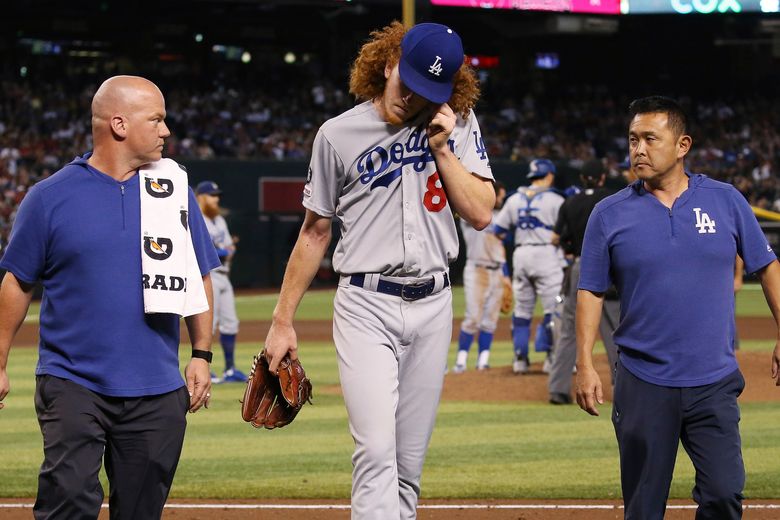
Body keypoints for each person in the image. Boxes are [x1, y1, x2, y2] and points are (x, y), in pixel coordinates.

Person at [263, 22, 494, 519]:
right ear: (388, 63)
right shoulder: (338, 135)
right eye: (405, 82)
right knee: (375, 453)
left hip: (434, 304)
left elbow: (480, 212)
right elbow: (314, 232)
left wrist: (442, 149)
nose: (411, 98)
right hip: (366, 304)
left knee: (408, 464)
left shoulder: (458, 123)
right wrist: (282, 321)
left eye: (426, 91)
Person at [0, 76, 220, 519]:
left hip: (157, 388)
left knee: (140, 511)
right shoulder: (48, 198)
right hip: (73, 382)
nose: (166, 131)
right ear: (119, 123)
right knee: (68, 503)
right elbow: (17, 283)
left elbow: (196, 275)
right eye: (156, 119)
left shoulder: (173, 191)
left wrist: (201, 353)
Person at [576, 95, 780, 519]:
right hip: (643, 380)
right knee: (644, 507)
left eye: (651, 138)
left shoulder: (726, 201)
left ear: (682, 145)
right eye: (633, 139)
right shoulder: (608, 214)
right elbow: (591, 290)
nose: (638, 149)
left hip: (714, 379)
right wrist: (584, 362)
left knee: (724, 495)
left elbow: (768, 267)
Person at [547, 159, 618, 405]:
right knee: (616, 330)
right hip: (608, 268)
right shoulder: (612, 200)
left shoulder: (570, 202)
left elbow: (556, 238)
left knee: (568, 329)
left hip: (578, 265)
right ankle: (623, 388)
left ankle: (557, 389)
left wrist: (570, 246)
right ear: (601, 178)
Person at [494, 159, 565, 374]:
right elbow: (565, 232)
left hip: (521, 254)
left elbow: (498, 230)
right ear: (550, 175)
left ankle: (520, 359)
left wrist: (518, 238)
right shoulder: (555, 199)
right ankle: (552, 358)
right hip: (546, 254)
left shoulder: (514, 199)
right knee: (553, 309)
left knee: (522, 311)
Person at [453, 181, 509, 372]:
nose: (501, 198)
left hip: (498, 270)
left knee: (490, 320)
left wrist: (507, 275)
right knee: (473, 318)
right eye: (499, 195)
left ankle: (483, 361)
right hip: (477, 270)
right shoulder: (472, 216)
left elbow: (500, 249)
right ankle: (461, 362)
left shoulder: (502, 217)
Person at [196, 180, 247, 383]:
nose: (216, 199)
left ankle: (229, 369)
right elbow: (203, 249)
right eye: (212, 195)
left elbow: (228, 249)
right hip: (209, 276)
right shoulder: (197, 218)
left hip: (225, 276)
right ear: (201, 197)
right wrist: (223, 250)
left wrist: (225, 250)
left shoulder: (219, 221)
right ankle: (204, 368)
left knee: (230, 323)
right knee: (210, 323)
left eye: (217, 195)